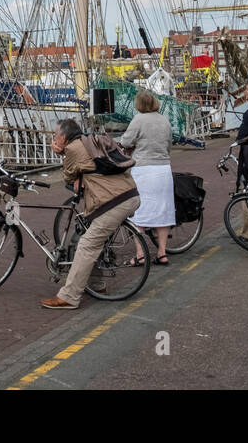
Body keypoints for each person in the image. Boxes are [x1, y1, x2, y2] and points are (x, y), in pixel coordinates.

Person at [40, 118, 141, 309]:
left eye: (55, 135)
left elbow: (68, 176)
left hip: (114, 201)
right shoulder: (90, 141)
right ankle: (96, 284)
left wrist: (62, 153)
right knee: (91, 240)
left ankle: (69, 297)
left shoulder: (73, 149)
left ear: (63, 137)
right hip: (128, 194)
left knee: (86, 245)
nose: (54, 138)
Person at [120, 90, 174, 265]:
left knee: (139, 212)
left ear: (139, 104)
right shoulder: (164, 120)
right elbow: (169, 144)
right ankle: (162, 253)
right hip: (163, 169)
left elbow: (126, 141)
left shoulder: (138, 120)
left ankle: (141, 255)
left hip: (143, 170)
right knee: (163, 210)